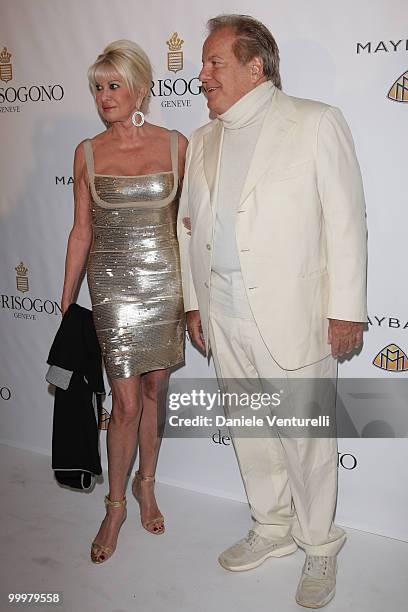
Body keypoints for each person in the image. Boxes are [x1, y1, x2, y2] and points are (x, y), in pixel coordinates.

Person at [177, 15, 367, 608]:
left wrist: (347, 311)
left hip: (296, 313)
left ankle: (318, 547)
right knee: (252, 431)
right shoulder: (204, 138)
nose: (200, 76)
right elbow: (187, 230)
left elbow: (346, 222)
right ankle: (273, 528)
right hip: (223, 314)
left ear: (254, 67)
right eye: (203, 64)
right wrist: (193, 302)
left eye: (214, 63)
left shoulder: (314, 122)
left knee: (305, 439)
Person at [61, 39, 187, 564]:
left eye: (113, 85)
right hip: (111, 287)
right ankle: (114, 505)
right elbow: (80, 232)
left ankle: (147, 484)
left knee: (156, 390)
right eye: (97, 87)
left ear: (139, 88)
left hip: (166, 285)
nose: (104, 96)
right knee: (126, 403)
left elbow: (190, 225)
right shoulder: (87, 152)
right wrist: (66, 301)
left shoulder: (178, 145)